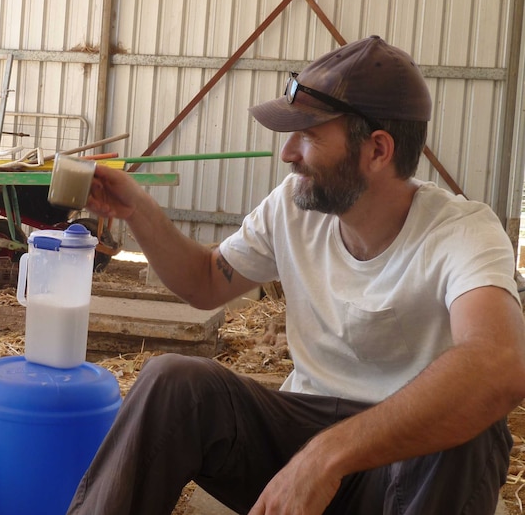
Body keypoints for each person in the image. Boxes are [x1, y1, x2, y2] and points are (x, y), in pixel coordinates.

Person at [67, 36, 525, 515]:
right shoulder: (294, 206)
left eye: (308, 134)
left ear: (377, 150)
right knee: (173, 381)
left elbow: (498, 361)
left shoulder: (460, 230)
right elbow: (205, 280)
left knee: (472, 428)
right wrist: (137, 208)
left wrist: (330, 455)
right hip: (301, 439)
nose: (287, 153)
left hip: (407, 468)